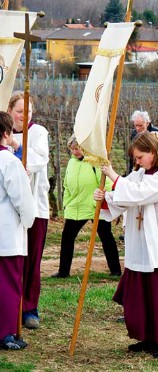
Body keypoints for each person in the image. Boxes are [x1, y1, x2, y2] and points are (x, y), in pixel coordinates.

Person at [94, 132, 158, 358]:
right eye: (135, 158)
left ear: (153, 152)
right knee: (144, 296)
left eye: (140, 157)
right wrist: (106, 197)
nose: (137, 162)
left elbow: (140, 194)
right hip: (142, 245)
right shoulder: (138, 175)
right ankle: (148, 338)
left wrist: (113, 176)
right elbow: (126, 195)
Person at [51, 135, 121, 279]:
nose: (75, 152)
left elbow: (106, 183)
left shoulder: (95, 162)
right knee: (67, 237)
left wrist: (102, 200)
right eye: (72, 149)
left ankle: (115, 270)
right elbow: (66, 185)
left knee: (106, 236)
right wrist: (67, 202)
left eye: (77, 149)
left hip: (95, 207)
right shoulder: (71, 163)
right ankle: (63, 271)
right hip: (75, 207)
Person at [7, 92, 49, 330]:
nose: (24, 115)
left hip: (35, 206)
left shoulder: (38, 133)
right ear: (10, 110)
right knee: (12, 259)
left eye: (28, 111)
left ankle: (29, 307)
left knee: (32, 259)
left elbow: (37, 161)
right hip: (7, 209)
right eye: (20, 111)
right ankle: (10, 305)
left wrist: (15, 143)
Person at [0, 111, 35, 350]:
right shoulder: (9, 162)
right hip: (7, 233)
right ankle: (5, 333)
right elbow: (22, 200)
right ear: (6, 133)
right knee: (8, 283)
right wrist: (28, 220)